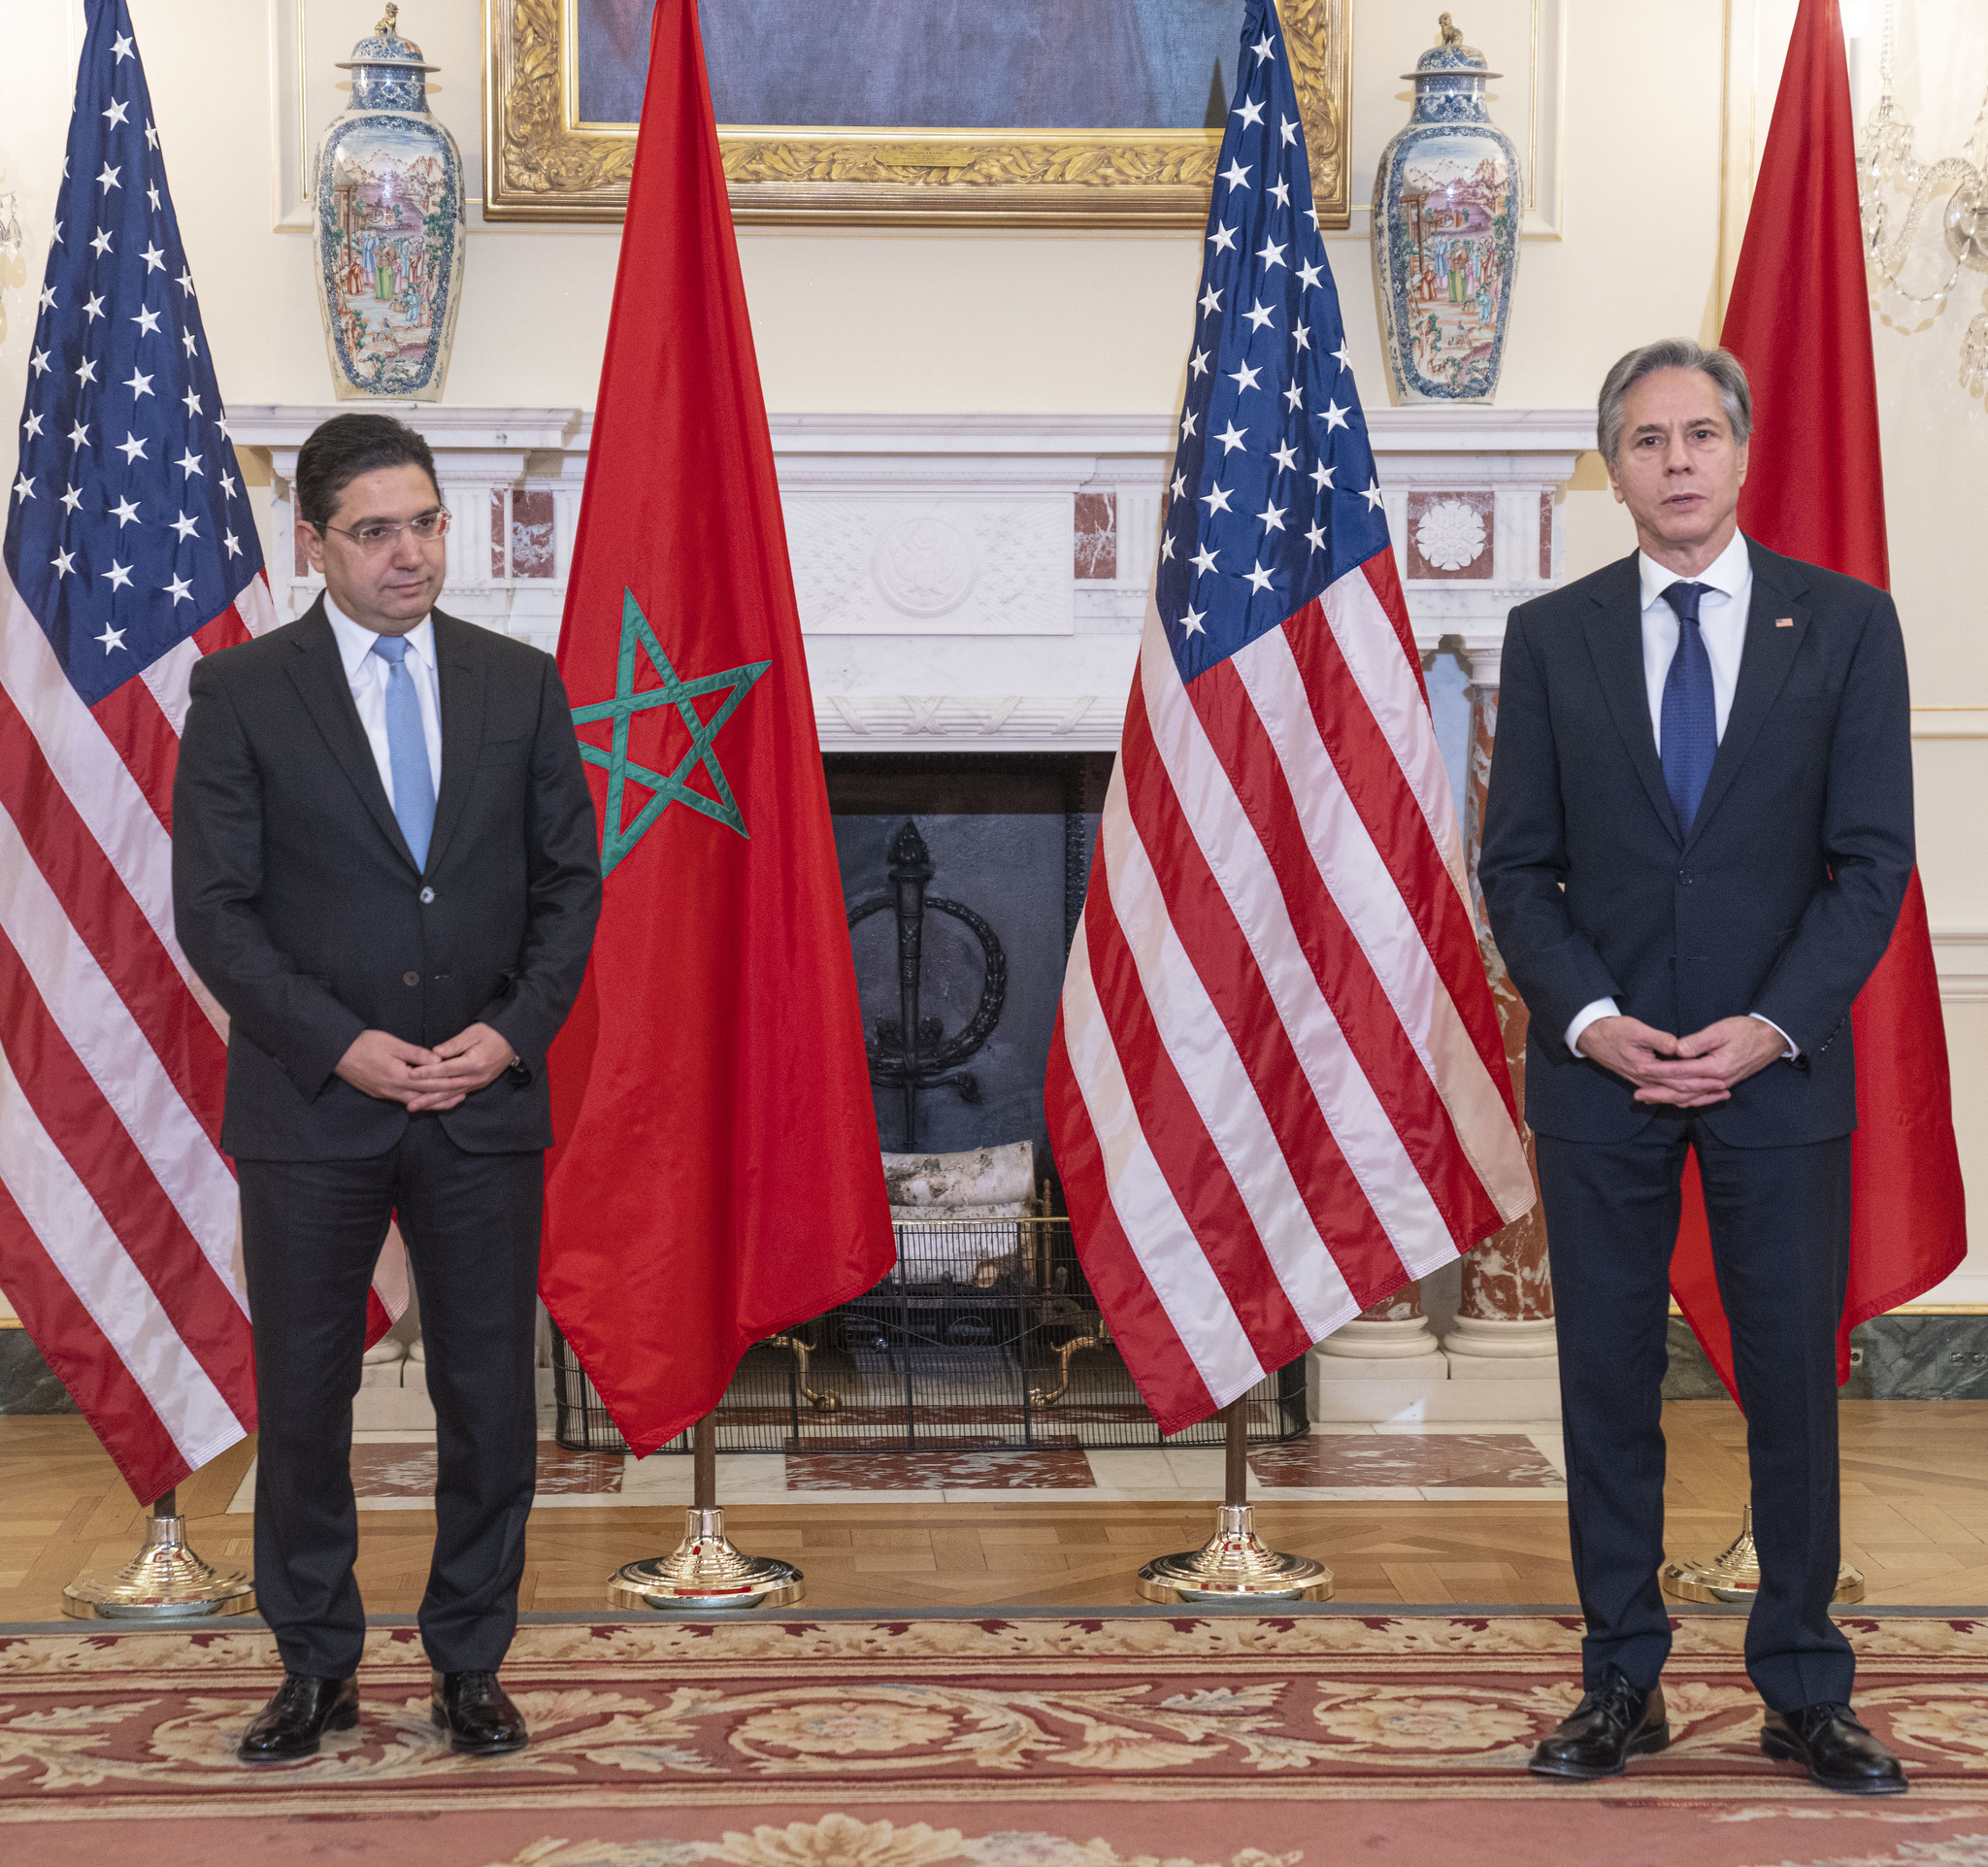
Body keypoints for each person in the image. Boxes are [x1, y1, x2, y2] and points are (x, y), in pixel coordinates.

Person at [1479, 339, 1914, 1796]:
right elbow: (1517, 871)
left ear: (1741, 454)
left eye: (1702, 434)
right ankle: (1622, 1684)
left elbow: (1869, 866)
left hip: (1776, 1074)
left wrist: (1770, 1025)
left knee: (1789, 1384)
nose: (1677, 460)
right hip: (1602, 1077)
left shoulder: (1846, 627)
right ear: (1617, 469)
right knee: (1605, 1382)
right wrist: (1594, 1022)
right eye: (1649, 439)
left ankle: (1803, 1684)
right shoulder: (1552, 637)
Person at [172, 414, 602, 1765]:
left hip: (484, 1099)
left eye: (425, 522)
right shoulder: (242, 695)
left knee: (489, 1395)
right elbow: (216, 914)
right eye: (376, 531)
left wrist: (514, 1032)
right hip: (314, 1104)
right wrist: (339, 1042)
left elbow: (568, 890)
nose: (410, 553)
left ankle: (471, 1662)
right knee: (307, 1400)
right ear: (313, 543)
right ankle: (317, 1668)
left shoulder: (518, 685)